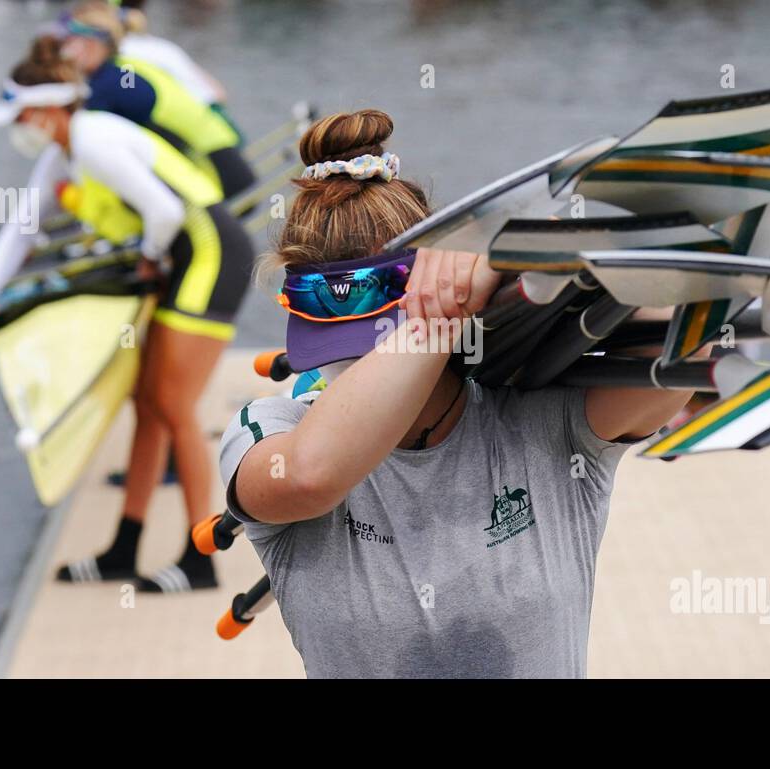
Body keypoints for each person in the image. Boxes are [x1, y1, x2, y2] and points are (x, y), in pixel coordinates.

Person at [217, 110, 698, 678]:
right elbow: (309, 477)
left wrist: (514, 256)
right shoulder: (267, 430)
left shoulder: (549, 426)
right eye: (339, 345)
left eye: (375, 340)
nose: (352, 363)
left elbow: (687, 347)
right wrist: (443, 317)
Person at [0, 37, 254, 592]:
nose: (19, 127)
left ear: (51, 109)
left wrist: (149, 260)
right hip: (185, 254)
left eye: (23, 115)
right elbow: (24, 226)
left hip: (211, 253)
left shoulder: (95, 140)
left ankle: (201, 558)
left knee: (173, 407)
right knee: (145, 403)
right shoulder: (65, 150)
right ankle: (123, 549)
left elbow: (165, 211)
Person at [59, 1, 255, 199]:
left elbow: (77, 139)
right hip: (229, 152)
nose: (63, 52)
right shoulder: (128, 64)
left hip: (215, 177)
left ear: (90, 44)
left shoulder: (110, 81)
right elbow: (218, 94)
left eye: (68, 42)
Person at [110, 0, 241, 140]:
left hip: (196, 134)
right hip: (219, 123)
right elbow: (219, 93)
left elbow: (126, 95)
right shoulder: (163, 48)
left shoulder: (125, 53)